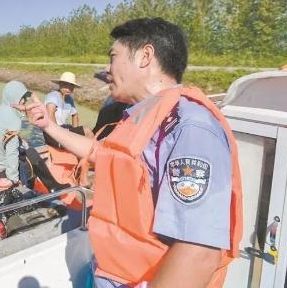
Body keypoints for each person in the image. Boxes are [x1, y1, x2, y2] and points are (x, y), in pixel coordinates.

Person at [15, 17, 242, 288]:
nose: (107, 68)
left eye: (113, 57)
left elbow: (198, 252)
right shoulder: (143, 116)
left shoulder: (190, 128)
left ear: (145, 56)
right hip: (112, 272)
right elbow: (102, 154)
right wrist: (48, 125)